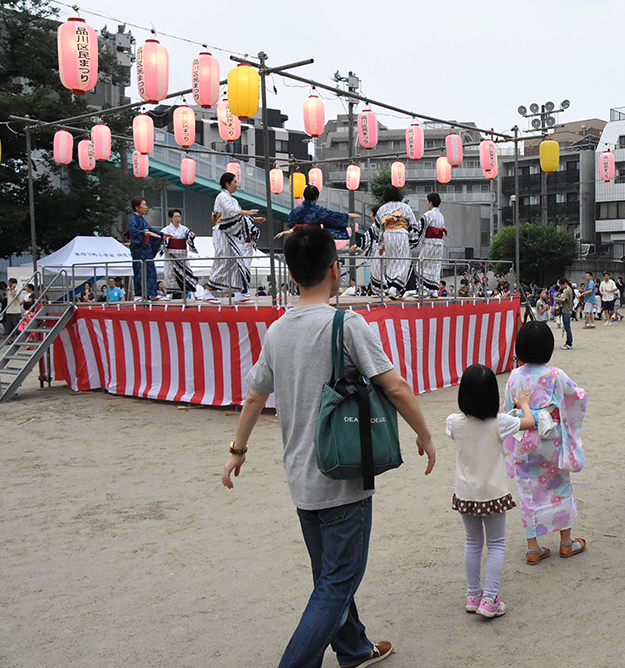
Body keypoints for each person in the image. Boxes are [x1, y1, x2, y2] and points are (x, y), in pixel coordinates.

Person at [221, 225, 436, 666]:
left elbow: (254, 396)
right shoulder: (346, 322)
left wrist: (236, 451)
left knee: (330, 576)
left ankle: (354, 648)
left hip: (301, 479)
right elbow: (393, 386)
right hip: (343, 476)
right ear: (334, 270)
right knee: (338, 581)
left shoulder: (278, 329)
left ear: (292, 273)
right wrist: (425, 433)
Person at [448, 364, 534, 618]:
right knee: (496, 545)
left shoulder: (453, 422)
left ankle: (473, 594)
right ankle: (490, 598)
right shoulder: (501, 423)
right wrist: (524, 403)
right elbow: (528, 422)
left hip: (466, 493)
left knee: (472, 543)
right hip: (493, 494)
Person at [502, 322, 588, 564]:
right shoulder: (555, 375)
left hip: (524, 439)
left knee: (528, 491)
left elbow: (509, 408)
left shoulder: (515, 376)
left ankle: (533, 548)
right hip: (550, 440)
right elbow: (575, 397)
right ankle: (566, 543)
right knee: (560, 487)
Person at [197, 173, 265, 304]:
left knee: (236, 262)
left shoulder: (231, 199)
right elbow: (231, 211)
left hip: (231, 234)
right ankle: (208, 291)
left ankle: (238, 292)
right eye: (235, 182)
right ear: (227, 184)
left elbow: (235, 216)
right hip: (222, 233)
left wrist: (253, 218)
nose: (237, 184)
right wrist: (247, 212)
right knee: (223, 262)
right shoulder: (222, 196)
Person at [372, 186, 420, 298]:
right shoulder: (405, 207)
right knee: (405, 263)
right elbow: (414, 225)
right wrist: (413, 240)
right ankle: (394, 289)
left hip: (388, 236)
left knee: (391, 263)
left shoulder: (382, 209)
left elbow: (378, 229)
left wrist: (381, 245)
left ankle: (393, 289)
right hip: (402, 235)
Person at [277, 185, 359, 240]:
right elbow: (332, 216)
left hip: (298, 240)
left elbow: (291, 223)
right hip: (314, 239)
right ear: (316, 197)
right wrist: (348, 215)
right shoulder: (319, 210)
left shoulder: (295, 211)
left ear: (304, 196)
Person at [127, 196, 163, 302]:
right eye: (144, 205)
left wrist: (162, 234)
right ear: (137, 207)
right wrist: (146, 233)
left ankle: (152, 293)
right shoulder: (133, 219)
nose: (146, 208)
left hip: (146, 249)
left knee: (150, 270)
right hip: (138, 248)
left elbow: (151, 230)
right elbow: (134, 231)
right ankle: (138, 294)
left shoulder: (141, 219)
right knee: (139, 270)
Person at [160, 209, 198, 299]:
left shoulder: (184, 229)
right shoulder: (166, 229)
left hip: (182, 255)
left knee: (187, 273)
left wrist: (191, 236)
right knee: (170, 274)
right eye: (175, 217)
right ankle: (169, 293)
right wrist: (164, 238)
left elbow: (189, 235)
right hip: (170, 255)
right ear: (171, 218)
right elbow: (161, 237)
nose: (178, 219)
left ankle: (194, 293)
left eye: (179, 216)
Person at [417, 193, 447, 298]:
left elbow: (420, 227)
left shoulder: (428, 214)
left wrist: (415, 241)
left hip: (429, 242)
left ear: (430, 202)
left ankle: (424, 290)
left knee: (422, 265)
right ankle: (434, 290)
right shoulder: (441, 216)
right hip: (439, 244)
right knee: (435, 266)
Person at [554, 278, 575, 350]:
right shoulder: (570, 290)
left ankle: (569, 343)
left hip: (566, 310)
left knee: (567, 327)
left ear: (564, 284)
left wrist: (556, 299)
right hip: (569, 310)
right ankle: (569, 342)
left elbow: (564, 299)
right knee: (567, 327)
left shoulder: (566, 290)